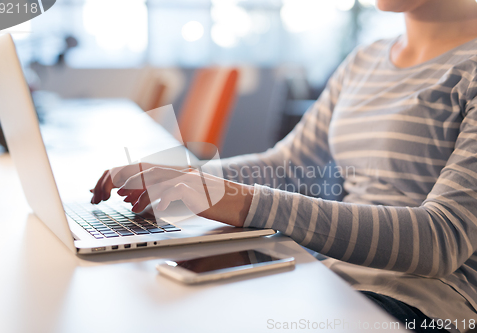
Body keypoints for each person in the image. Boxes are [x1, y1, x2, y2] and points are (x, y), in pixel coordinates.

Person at [91, 0, 477, 331]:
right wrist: (183, 176)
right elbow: (288, 164)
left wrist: (245, 202)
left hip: (426, 307)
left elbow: (443, 240)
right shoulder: (366, 59)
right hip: (330, 276)